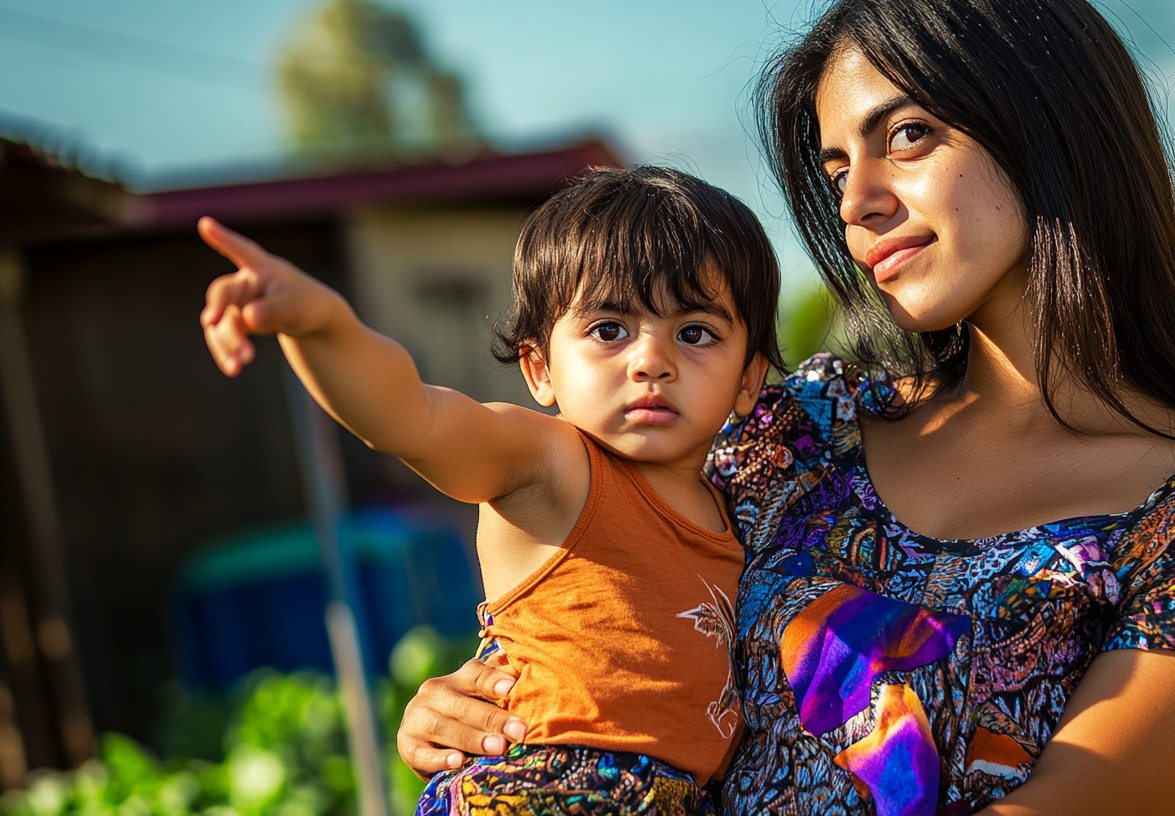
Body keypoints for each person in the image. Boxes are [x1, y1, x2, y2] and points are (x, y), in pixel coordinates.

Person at [395, 2, 1175, 814]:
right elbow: (603, 606)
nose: (856, 201)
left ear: (1048, 128)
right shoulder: (787, 437)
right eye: (837, 167)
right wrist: (478, 708)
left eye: (908, 137)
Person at [198, 166, 785, 815]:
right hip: (544, 790)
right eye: (609, 329)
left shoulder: (737, 512)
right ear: (539, 368)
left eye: (695, 332)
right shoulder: (551, 463)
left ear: (748, 379)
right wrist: (320, 325)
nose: (651, 359)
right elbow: (409, 416)